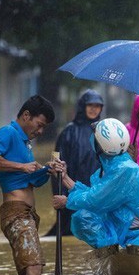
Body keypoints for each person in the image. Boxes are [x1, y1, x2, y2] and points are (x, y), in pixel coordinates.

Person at [51, 118, 139, 251]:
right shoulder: (108, 168)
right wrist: (65, 177)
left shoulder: (126, 170)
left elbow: (95, 200)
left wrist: (67, 201)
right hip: (119, 230)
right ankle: (109, 250)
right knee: (82, 219)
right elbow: (95, 193)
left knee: (138, 250)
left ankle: (114, 252)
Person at [0, 95, 56, 275]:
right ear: (26, 115)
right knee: (34, 266)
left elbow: (31, 182)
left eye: (44, 127)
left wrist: (48, 170)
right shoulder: (8, 132)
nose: (40, 131)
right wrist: (21, 166)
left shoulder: (25, 144)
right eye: (39, 125)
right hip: (16, 214)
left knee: (25, 272)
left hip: (28, 214)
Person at [45, 89, 104, 237]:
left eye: (97, 106)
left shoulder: (104, 132)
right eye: (90, 105)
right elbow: (55, 162)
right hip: (71, 192)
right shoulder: (68, 131)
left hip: (95, 195)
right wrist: (60, 194)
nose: (93, 109)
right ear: (82, 106)